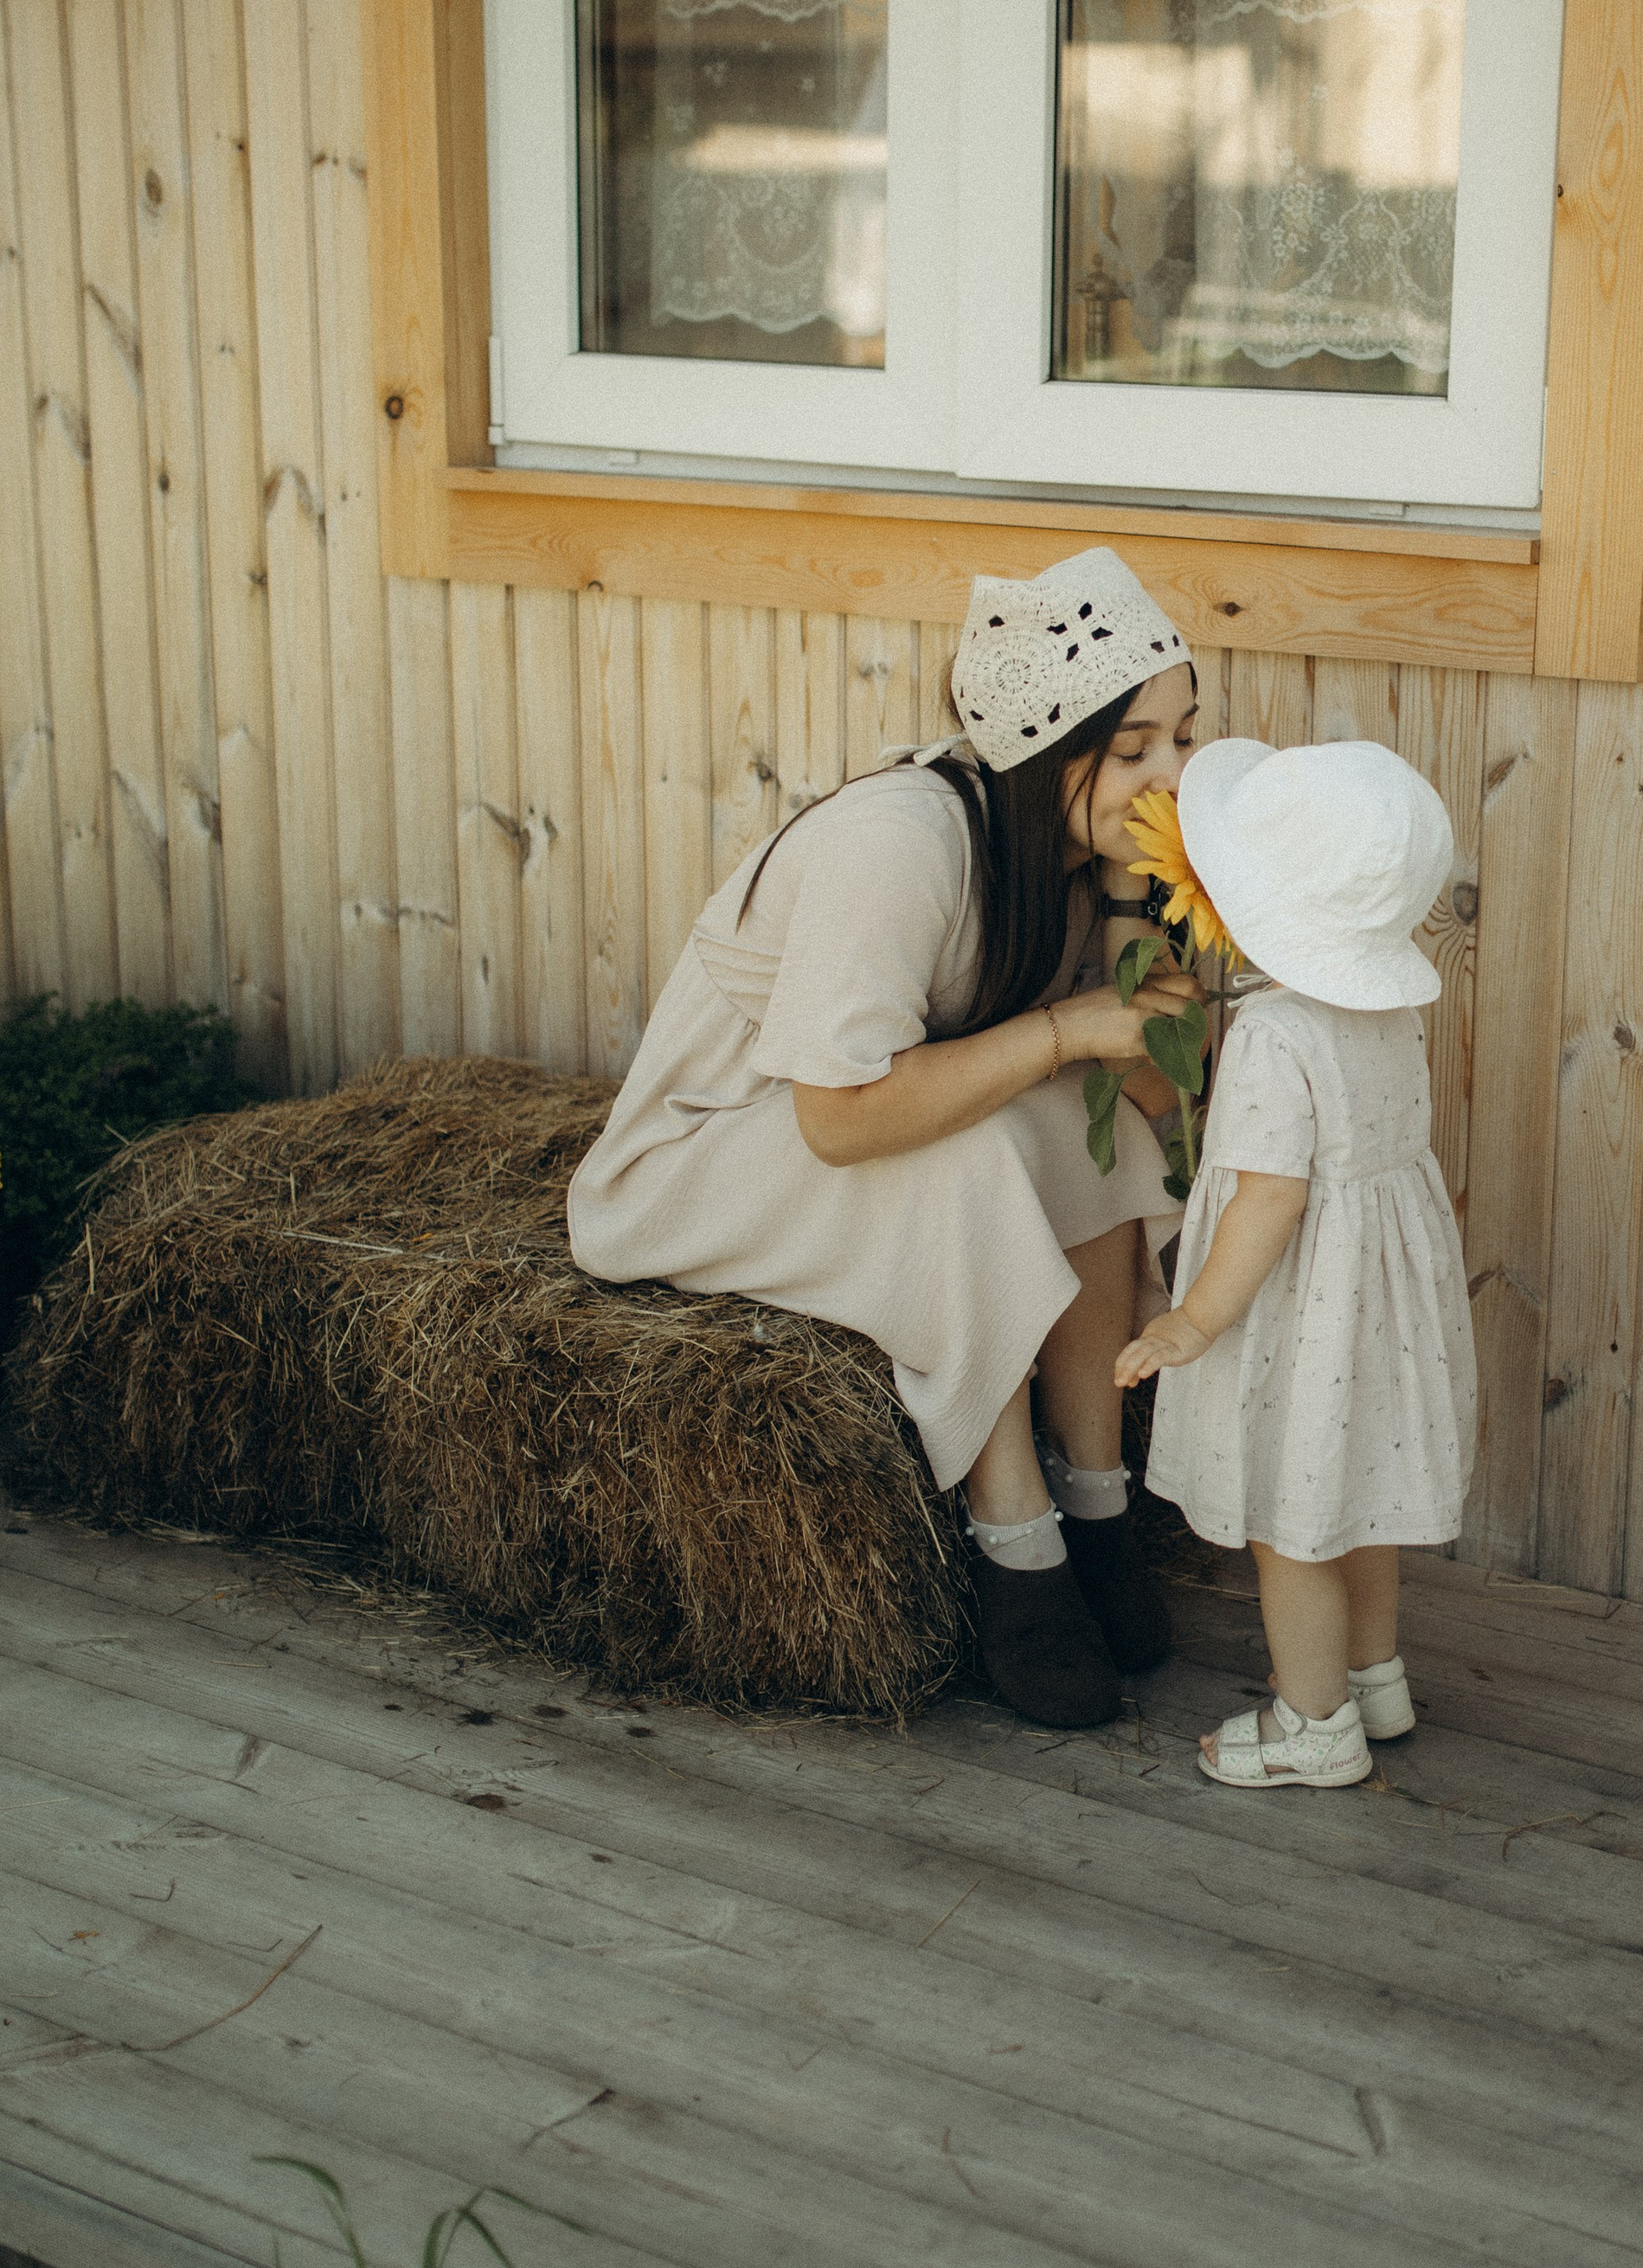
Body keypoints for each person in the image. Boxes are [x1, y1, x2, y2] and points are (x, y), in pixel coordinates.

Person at [567, 547, 1204, 1730]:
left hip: (838, 1135)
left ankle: (1099, 1498)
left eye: (1184, 738)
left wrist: (1137, 917)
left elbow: (1149, 1112)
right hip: (706, 1154)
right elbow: (842, 1116)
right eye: (1133, 751)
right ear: (1045, 752)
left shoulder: (1094, 860)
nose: (1173, 773)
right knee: (969, 1148)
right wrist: (1066, 1025)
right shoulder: (906, 843)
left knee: (1085, 1125)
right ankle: (1014, 1537)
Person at [1115, 734, 1478, 1789]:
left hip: (1302, 1314)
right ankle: (1374, 1677)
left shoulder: (1275, 1036)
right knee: (1354, 1501)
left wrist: (1195, 1319)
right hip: (1378, 1307)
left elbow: (1270, 1199)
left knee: (1291, 1528)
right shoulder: (1390, 1011)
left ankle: (1313, 1725)